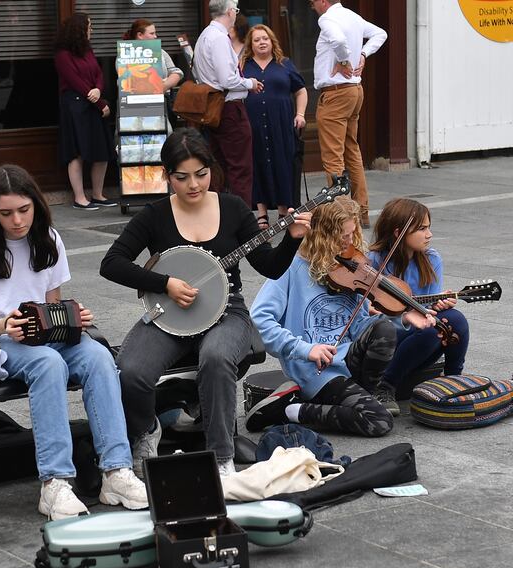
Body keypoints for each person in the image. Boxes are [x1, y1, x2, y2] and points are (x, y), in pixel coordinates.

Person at [100, 129, 311, 478]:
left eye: (201, 174)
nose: (193, 184)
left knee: (215, 358)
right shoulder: (154, 215)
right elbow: (112, 263)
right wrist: (164, 284)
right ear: (167, 175)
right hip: (171, 315)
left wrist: (291, 241)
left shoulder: (232, 207)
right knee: (131, 372)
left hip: (227, 313)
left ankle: (221, 459)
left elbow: (269, 267)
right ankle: (145, 431)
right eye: (182, 177)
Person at [0, 164, 147, 520]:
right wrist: (4, 325)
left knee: (99, 357)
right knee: (48, 365)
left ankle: (116, 471)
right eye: (6, 213)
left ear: (36, 205)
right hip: (0, 339)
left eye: (24, 210)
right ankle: (55, 482)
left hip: (48, 333)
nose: (17, 220)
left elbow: (52, 304)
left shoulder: (48, 239)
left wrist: (74, 315)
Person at [246, 196, 436, 436]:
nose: (349, 243)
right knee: (379, 422)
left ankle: (361, 394)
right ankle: (291, 410)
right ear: (322, 235)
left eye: (351, 234)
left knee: (383, 329)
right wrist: (306, 349)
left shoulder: (349, 268)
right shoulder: (291, 268)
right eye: (342, 236)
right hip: (315, 368)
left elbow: (358, 326)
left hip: (346, 360)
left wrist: (402, 318)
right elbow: (260, 319)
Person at [368, 198, 470, 398]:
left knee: (454, 319)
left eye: (428, 227)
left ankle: (453, 378)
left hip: (420, 338)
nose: (429, 235)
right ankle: (385, 387)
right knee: (428, 328)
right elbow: (367, 316)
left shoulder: (432, 259)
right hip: (385, 342)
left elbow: (429, 310)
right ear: (399, 233)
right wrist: (403, 315)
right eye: (422, 229)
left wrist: (440, 304)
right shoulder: (373, 261)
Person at [311, 0, 387, 229]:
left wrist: (345, 60)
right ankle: (361, 210)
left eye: (313, 2)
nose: (312, 6)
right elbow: (380, 34)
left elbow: (338, 40)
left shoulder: (327, 18)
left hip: (335, 93)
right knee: (351, 149)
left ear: (323, 1)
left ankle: (343, 215)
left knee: (333, 157)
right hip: (354, 90)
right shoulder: (353, 17)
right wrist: (363, 54)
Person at [192, 0, 264, 211]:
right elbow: (227, 80)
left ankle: (218, 216)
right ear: (231, 12)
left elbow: (198, 74)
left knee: (219, 166)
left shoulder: (205, 35)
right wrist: (250, 83)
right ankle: (241, 221)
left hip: (214, 108)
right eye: (236, 10)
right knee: (240, 168)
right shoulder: (219, 38)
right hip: (229, 108)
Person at [241, 24, 308, 229]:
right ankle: (261, 213)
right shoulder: (243, 65)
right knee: (257, 162)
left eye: (265, 38)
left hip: (281, 123)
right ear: (250, 45)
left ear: (272, 42)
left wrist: (300, 114)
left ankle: (282, 210)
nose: (262, 42)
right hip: (253, 123)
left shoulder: (284, 64)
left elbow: (301, 91)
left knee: (282, 162)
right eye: (257, 39)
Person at [55, 12, 117, 211]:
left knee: (102, 150)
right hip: (75, 106)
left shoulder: (87, 50)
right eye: (89, 26)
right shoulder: (63, 54)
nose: (91, 30)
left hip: (92, 103)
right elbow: (74, 81)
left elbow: (98, 73)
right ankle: (80, 198)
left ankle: (98, 194)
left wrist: (98, 89)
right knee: (77, 152)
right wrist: (99, 102)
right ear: (79, 29)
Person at [123, 19, 184, 96]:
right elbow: (125, 80)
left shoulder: (160, 52)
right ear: (140, 35)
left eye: (155, 33)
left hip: (161, 99)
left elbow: (176, 72)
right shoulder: (125, 54)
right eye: (152, 33)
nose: (155, 36)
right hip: (135, 100)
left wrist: (165, 86)